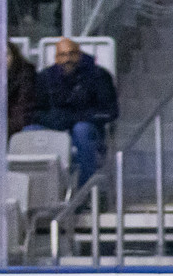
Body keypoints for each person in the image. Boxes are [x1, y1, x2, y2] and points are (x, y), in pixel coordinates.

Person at [29, 37, 118, 182]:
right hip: (55, 128)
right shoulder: (45, 77)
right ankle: (39, 191)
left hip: (89, 130)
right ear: (56, 58)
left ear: (80, 55)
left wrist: (75, 119)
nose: (67, 59)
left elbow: (110, 111)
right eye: (62, 55)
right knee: (29, 132)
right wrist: (53, 120)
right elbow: (35, 111)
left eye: (72, 54)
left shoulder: (98, 76)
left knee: (81, 130)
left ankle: (85, 192)